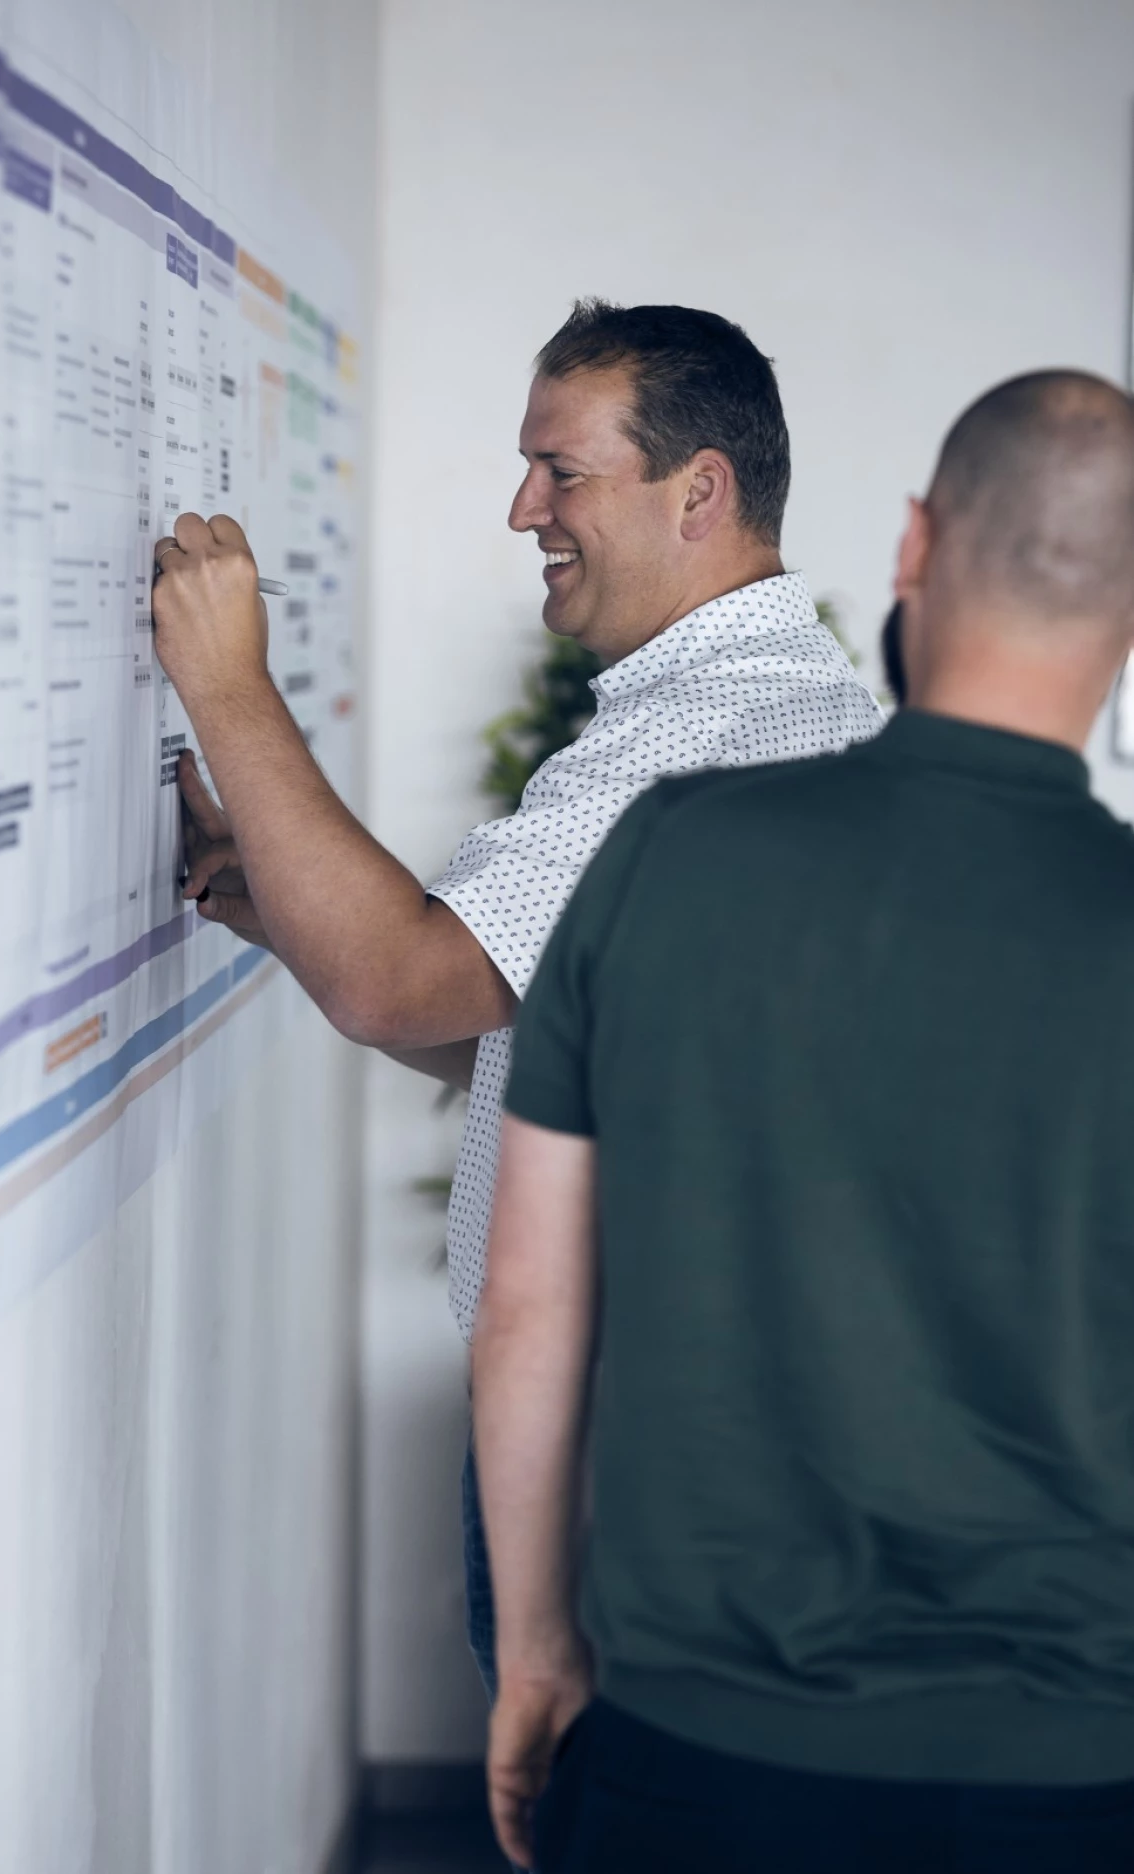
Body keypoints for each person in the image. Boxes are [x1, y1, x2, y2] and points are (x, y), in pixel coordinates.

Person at [150, 299, 882, 1695]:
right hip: (696, 1442)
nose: (522, 509)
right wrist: (292, 914)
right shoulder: (799, 702)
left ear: (699, 492)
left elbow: (398, 981)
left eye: (563, 471)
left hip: (635, 1450)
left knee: (596, 1792)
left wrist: (227, 685)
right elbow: (554, 1045)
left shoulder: (703, 730)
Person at [472, 368, 1134, 1872]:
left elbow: (530, 1309)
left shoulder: (669, 853)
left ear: (914, 542)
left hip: (701, 1748)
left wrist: (536, 1654)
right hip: (1078, 1772)